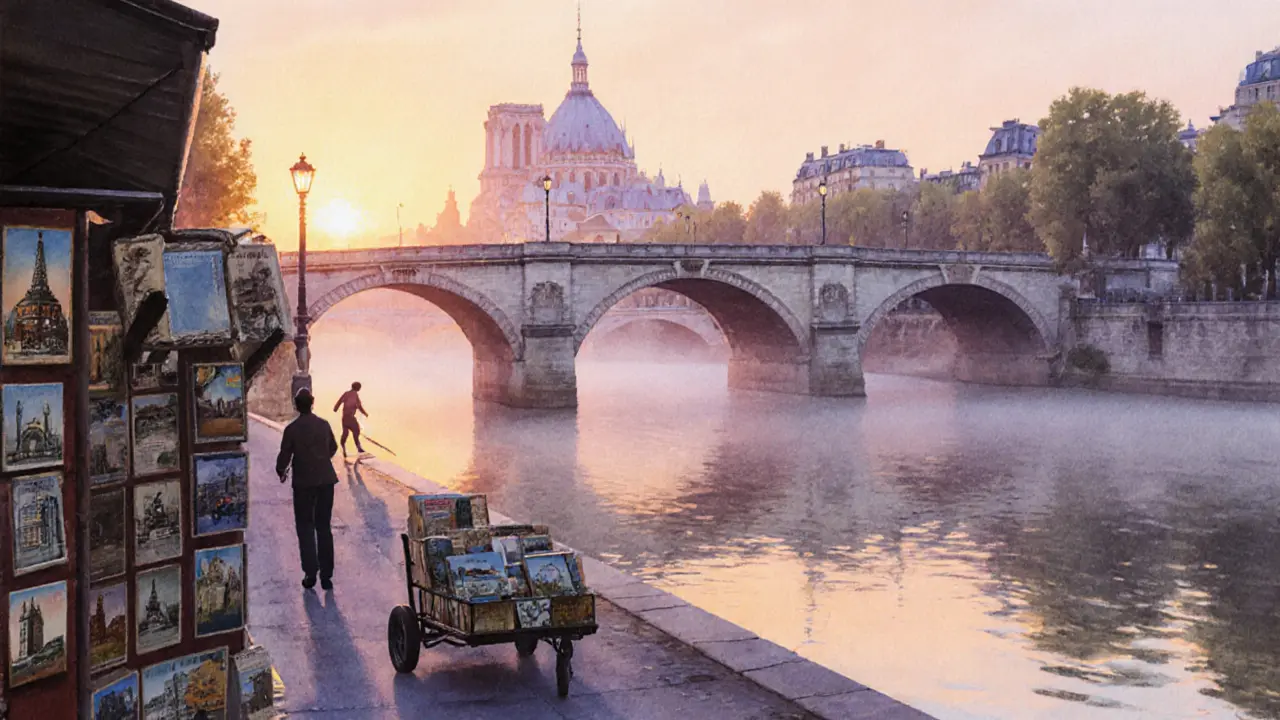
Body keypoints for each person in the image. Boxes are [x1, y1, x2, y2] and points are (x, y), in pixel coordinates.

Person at [276, 388, 339, 590]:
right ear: (312, 403)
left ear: (296, 405)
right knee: (324, 527)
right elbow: (333, 447)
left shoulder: (292, 429)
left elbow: (284, 456)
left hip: (303, 484)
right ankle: (327, 576)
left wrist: (281, 471)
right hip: (326, 481)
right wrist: (321, 460)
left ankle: (310, 573)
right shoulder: (324, 424)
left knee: (305, 528)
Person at [333, 381, 368, 457]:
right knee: (356, 430)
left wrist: (335, 408)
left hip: (344, 418)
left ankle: (343, 447)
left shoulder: (346, 394)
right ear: (358, 388)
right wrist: (365, 413)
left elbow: (339, 401)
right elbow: (359, 406)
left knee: (345, 433)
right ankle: (358, 447)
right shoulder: (355, 395)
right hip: (350, 417)